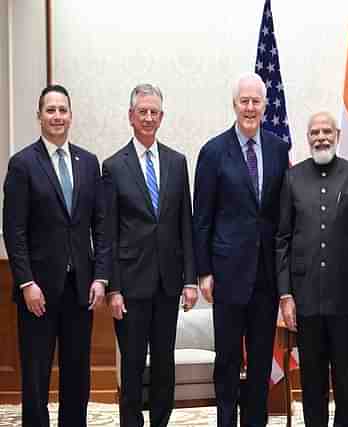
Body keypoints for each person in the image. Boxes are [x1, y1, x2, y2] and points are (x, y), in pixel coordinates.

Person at [2, 84, 108, 427]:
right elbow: (14, 231)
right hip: (39, 293)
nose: (57, 116)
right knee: (35, 377)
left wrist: (100, 277)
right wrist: (26, 283)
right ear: (39, 117)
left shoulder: (89, 163)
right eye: (51, 110)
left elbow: (101, 227)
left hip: (80, 290)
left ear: (71, 116)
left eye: (63, 110)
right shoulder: (22, 165)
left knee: (77, 376)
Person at [192, 72, 290, 427]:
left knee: (262, 360)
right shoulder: (213, 151)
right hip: (227, 275)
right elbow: (201, 217)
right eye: (244, 101)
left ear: (266, 106)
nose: (250, 108)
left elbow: (284, 215)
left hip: (266, 276)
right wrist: (203, 271)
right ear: (234, 105)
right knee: (228, 360)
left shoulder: (280, 149)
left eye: (256, 101)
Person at [102, 84, 197, 427]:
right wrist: (112, 287)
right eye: (142, 111)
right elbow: (107, 232)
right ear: (131, 116)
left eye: (154, 112)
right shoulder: (113, 166)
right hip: (129, 285)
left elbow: (185, 223)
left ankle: (160, 421)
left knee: (163, 363)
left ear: (162, 117)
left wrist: (189, 279)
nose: (148, 117)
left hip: (169, 283)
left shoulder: (176, 161)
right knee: (131, 365)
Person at [275, 112, 348, 427]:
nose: (321, 137)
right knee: (313, 381)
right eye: (315, 132)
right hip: (305, 300)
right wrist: (286, 294)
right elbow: (283, 240)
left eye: (326, 131)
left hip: (345, 300)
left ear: (338, 135)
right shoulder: (292, 178)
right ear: (308, 137)